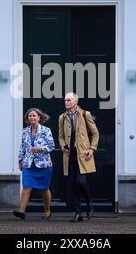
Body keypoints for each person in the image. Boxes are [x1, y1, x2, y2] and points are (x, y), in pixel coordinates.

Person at [58, 92, 99, 222]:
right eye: (65, 100)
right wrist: (63, 145)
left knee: (80, 181)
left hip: (82, 154)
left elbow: (95, 133)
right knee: (71, 184)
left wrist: (92, 149)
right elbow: (60, 135)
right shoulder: (62, 117)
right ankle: (78, 212)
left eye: (69, 100)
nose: (66, 102)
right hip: (69, 155)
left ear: (75, 102)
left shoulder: (85, 114)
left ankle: (89, 203)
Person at [13, 108, 55, 220]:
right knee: (27, 186)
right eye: (30, 116)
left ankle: (47, 211)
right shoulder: (25, 131)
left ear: (39, 117)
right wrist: (20, 160)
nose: (32, 117)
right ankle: (21, 211)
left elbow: (51, 146)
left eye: (34, 115)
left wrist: (40, 149)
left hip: (43, 165)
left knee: (44, 189)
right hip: (28, 164)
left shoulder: (46, 130)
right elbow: (22, 147)